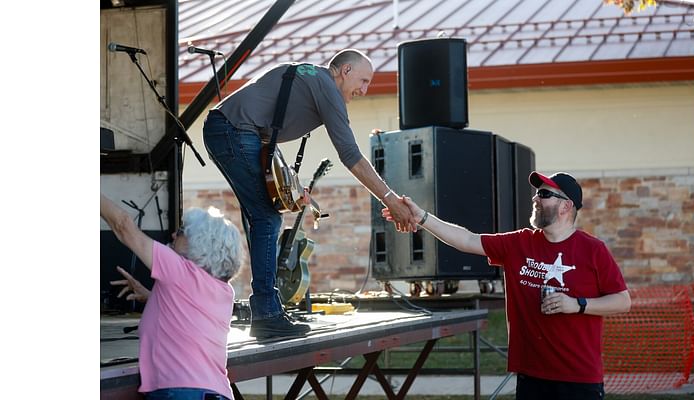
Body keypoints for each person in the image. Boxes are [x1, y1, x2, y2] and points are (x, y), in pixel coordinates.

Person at [203, 48, 415, 339]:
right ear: (345, 71)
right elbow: (350, 154)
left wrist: (289, 184)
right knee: (267, 219)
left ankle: (266, 309)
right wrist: (390, 199)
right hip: (232, 130)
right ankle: (266, 314)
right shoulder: (326, 87)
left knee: (263, 216)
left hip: (230, 128)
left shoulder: (311, 78)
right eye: (363, 81)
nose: (365, 90)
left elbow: (266, 132)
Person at [383, 171, 631, 400]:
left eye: (544, 194)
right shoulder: (520, 243)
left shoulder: (593, 250)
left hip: (579, 379)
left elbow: (622, 301)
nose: (535, 198)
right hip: (531, 375)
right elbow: (467, 240)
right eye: (537, 192)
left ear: (566, 206)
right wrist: (422, 217)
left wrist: (577, 304)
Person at [101, 194, 243, 400]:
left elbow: (123, 226)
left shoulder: (179, 270)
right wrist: (149, 295)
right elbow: (186, 317)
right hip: (215, 392)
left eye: (182, 231)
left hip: (181, 392)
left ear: (200, 243)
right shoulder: (223, 291)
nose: (174, 235)